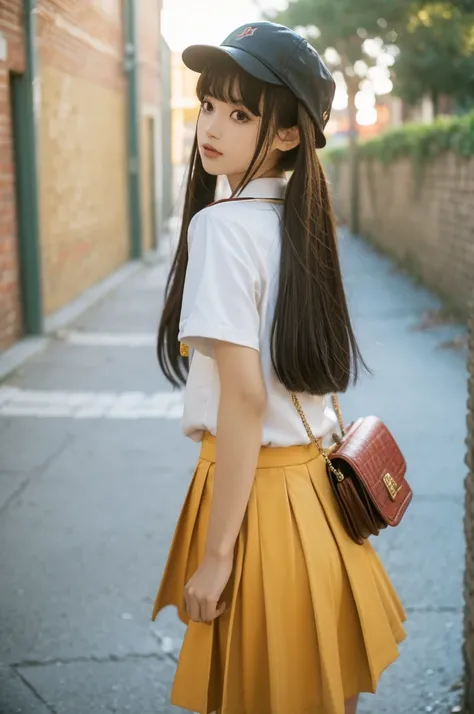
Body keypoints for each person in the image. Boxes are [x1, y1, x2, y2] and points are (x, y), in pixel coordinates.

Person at [152, 21, 406, 714]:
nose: (213, 127)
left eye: (241, 114)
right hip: (318, 502)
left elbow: (242, 401)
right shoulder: (298, 223)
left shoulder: (221, 227)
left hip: (256, 507)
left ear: (289, 134)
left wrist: (216, 557)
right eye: (209, 104)